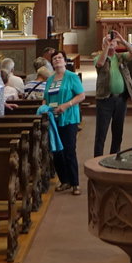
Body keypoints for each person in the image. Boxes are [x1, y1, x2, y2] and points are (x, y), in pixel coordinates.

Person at [45, 51, 86, 195]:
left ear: (64, 61)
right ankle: (64, 181)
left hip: (68, 118)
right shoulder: (50, 80)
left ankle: (75, 183)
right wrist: (44, 108)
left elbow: (81, 95)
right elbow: (46, 98)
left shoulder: (72, 77)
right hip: (53, 119)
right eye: (54, 58)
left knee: (69, 150)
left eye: (59, 58)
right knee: (57, 152)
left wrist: (66, 105)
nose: (57, 60)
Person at [93, 32, 132, 156]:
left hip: (120, 100)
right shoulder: (99, 57)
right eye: (108, 42)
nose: (111, 43)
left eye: (113, 42)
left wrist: (122, 40)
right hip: (105, 99)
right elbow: (100, 64)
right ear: (103, 46)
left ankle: (114, 157)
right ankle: (97, 160)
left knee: (118, 132)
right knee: (101, 133)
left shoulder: (121, 57)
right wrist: (106, 46)